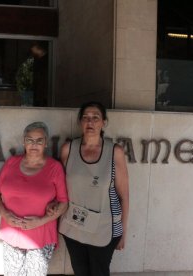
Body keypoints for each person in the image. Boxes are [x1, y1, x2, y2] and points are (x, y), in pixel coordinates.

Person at [57, 101, 129, 276]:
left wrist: (124, 233)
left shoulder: (115, 152)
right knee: (80, 271)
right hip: (73, 225)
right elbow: (59, 188)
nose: (90, 122)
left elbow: (124, 195)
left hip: (106, 227)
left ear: (103, 122)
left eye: (96, 117)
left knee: (99, 271)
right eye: (86, 118)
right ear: (80, 122)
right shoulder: (69, 149)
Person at [0, 121, 69, 276]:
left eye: (39, 140)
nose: (34, 144)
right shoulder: (12, 163)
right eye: (30, 140)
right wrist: (5, 214)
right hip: (11, 232)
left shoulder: (54, 167)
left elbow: (64, 203)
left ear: (46, 143)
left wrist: (40, 221)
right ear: (24, 141)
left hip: (41, 235)